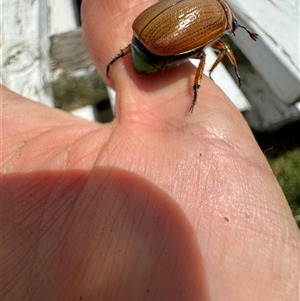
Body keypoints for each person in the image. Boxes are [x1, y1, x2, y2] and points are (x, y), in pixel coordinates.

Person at [2, 0, 298, 300]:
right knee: (213, 53)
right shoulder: (216, 26)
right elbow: (209, 51)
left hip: (143, 42)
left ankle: (135, 57)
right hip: (154, 53)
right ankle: (194, 84)